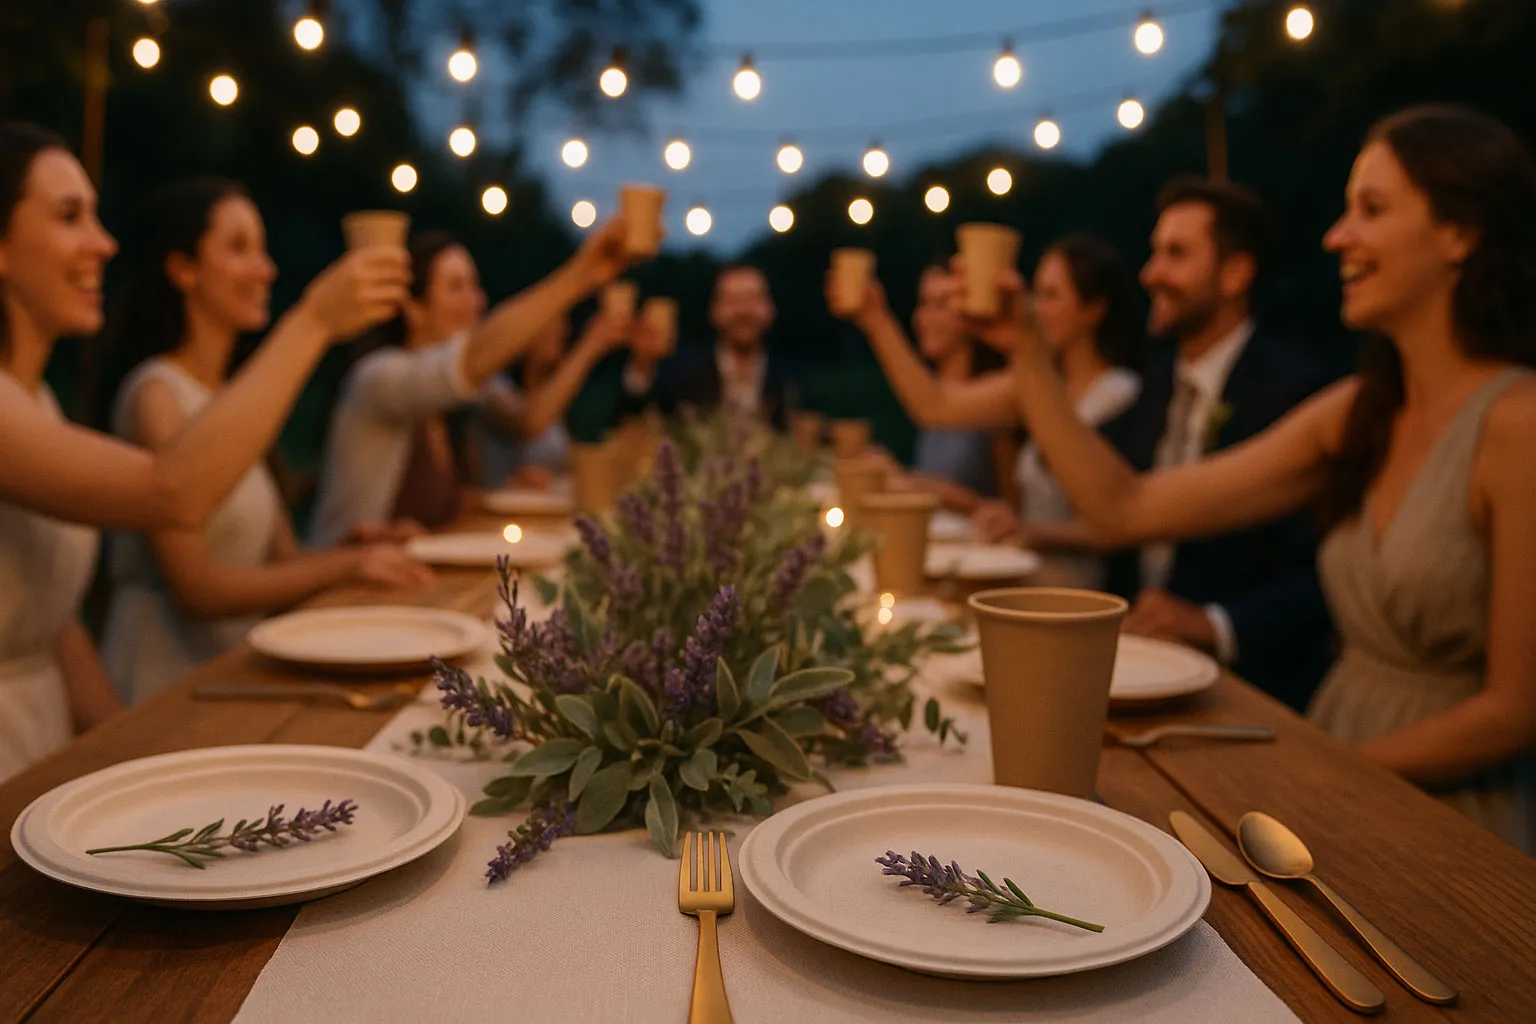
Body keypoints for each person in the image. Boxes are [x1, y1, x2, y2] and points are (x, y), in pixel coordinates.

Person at [984, 105, 1536, 852]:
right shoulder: (1353, 412)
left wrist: (1320, 773)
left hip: (1448, 810)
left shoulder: (1518, 424)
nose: (1337, 236)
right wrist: (1025, 350)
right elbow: (1126, 506)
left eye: (1371, 210)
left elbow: (1514, 711)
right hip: (1326, 758)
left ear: (1459, 233)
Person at [0, 124, 406, 780]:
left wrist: (117, 759)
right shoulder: (147, 393)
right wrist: (316, 321)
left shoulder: (37, 404)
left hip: (59, 740)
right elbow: (173, 494)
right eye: (69, 216)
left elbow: (55, 625)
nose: (104, 244)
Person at [97, 179, 433, 705]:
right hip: (159, 682)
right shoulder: (155, 392)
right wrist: (345, 567)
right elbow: (196, 589)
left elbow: (283, 562)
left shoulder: (237, 399)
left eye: (263, 249)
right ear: (182, 269)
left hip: (234, 675)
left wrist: (358, 548)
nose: (266, 269)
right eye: (239, 248)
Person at [1098, 177, 1335, 710]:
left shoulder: (1297, 394)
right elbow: (1099, 498)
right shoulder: (1153, 389)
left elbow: (1324, 579)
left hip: (1245, 692)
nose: (1150, 273)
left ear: (1235, 274)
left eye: (1175, 255)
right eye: (1154, 252)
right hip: (1133, 676)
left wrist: (1212, 623)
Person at [834, 237, 1143, 588]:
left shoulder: (1121, 394)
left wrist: (1027, 528)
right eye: (1035, 293)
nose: (1037, 309)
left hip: (1075, 587)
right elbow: (934, 405)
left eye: (1051, 295)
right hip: (1017, 568)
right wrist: (875, 319)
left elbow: (1128, 515)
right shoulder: (1036, 385)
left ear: (1094, 309)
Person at [310, 221, 635, 546]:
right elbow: (473, 360)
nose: (476, 302)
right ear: (413, 309)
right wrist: (580, 276)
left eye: (475, 286)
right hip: (340, 589)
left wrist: (489, 497)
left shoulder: (466, 390)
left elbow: (526, 419)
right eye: (456, 287)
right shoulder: (379, 378)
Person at [478, 307, 632, 487]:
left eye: (562, 322)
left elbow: (575, 456)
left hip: (546, 506)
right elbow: (529, 421)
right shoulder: (492, 385)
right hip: (497, 509)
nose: (562, 330)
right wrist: (592, 344)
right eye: (551, 321)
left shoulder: (555, 388)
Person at [620, 264, 789, 427]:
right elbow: (632, 419)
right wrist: (642, 363)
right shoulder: (682, 373)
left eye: (752, 298)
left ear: (770, 308)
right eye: (732, 300)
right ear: (714, 311)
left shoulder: (791, 380)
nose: (743, 311)